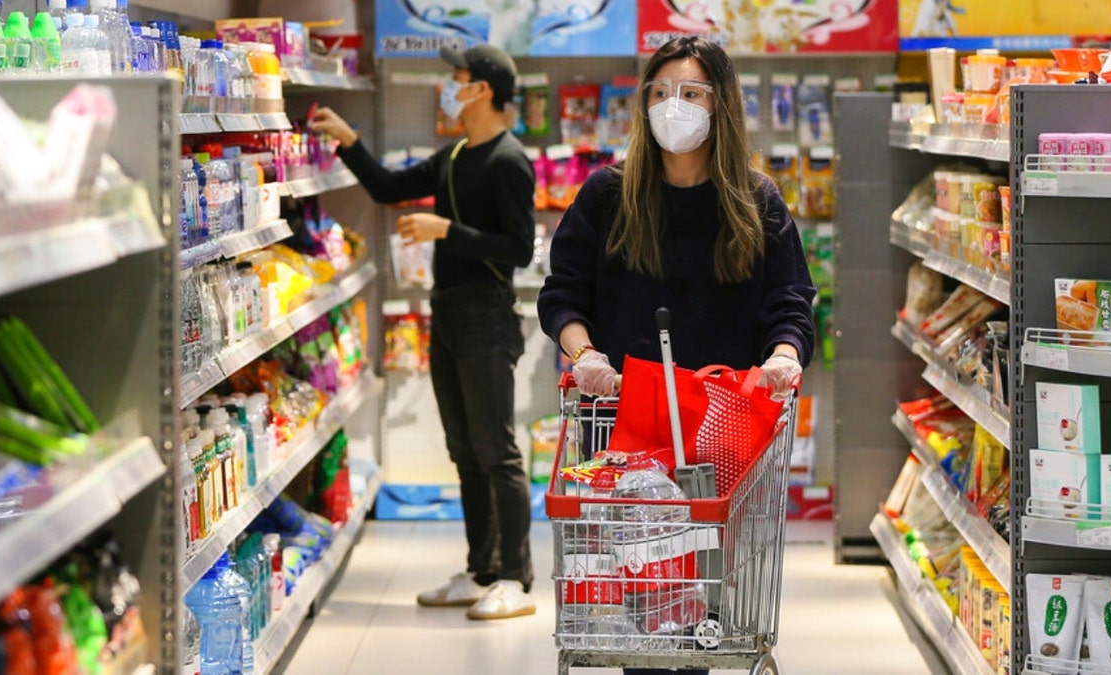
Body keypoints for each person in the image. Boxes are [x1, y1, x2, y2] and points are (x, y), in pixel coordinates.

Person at [537, 35, 816, 674]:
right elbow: (564, 293)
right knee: (650, 609)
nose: (673, 106)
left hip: (724, 430)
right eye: (660, 93)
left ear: (722, 107)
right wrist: (583, 356)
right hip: (626, 427)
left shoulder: (756, 201)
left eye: (691, 93)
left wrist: (782, 356)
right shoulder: (607, 196)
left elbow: (790, 302)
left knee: (713, 606)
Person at [310, 44, 537, 621]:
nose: (451, 86)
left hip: (487, 313)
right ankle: (481, 569)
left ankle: (515, 577)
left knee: (496, 450)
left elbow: (518, 248)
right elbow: (388, 187)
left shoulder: (510, 160)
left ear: (482, 88)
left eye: (458, 77)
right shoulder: (456, 153)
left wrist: (445, 230)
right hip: (449, 312)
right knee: (464, 451)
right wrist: (347, 139)